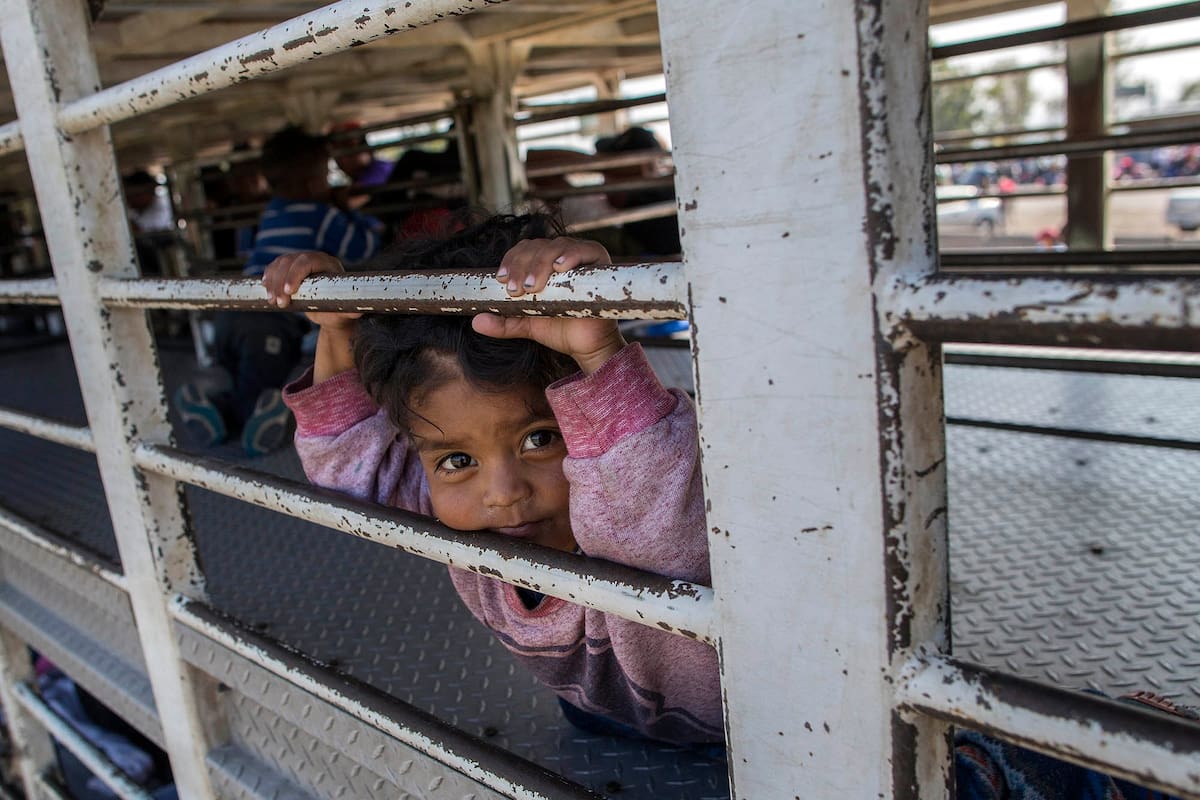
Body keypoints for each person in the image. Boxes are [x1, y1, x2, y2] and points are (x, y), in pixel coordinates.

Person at [263, 213, 724, 746]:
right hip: (600, 714)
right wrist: (339, 325)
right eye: (457, 460)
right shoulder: (457, 513)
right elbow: (352, 481)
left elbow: (656, 513)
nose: (504, 494)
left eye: (540, 439)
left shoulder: (651, 482)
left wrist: (596, 351)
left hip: (743, 732)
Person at [173, 125, 382, 457]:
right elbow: (366, 245)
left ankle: (216, 403)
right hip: (269, 318)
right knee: (262, 378)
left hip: (232, 312)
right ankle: (252, 413)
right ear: (315, 182)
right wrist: (346, 210)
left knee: (239, 371)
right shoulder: (322, 214)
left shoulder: (271, 212)